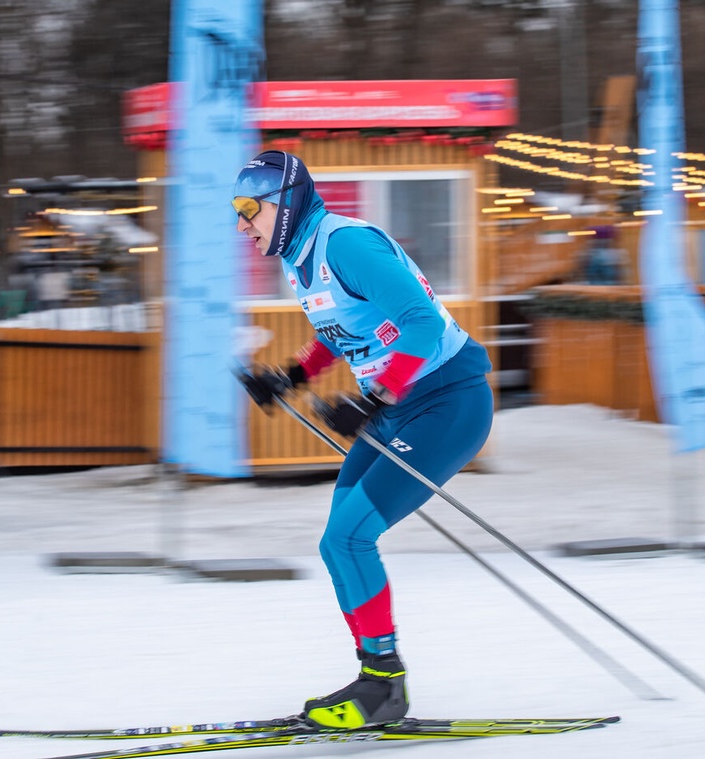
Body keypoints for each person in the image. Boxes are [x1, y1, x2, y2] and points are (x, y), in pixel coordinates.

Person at [234, 151, 494, 728]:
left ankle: (384, 688)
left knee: (352, 536)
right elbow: (339, 332)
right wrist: (292, 375)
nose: (242, 223)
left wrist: (374, 398)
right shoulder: (303, 257)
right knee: (337, 541)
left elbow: (423, 321)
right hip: (401, 407)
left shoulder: (346, 244)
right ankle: (375, 675)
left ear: (285, 201)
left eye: (249, 208)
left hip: (446, 400)